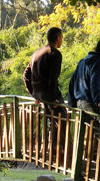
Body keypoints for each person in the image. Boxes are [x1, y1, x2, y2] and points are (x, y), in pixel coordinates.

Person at [67, 37, 100, 165]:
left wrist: (71, 103)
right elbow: (96, 82)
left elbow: (72, 82)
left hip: (81, 103)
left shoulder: (83, 61)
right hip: (93, 102)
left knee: (98, 132)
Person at [23, 27, 67, 157]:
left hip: (39, 94)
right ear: (58, 38)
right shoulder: (55, 54)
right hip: (49, 94)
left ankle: (50, 150)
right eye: (62, 38)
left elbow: (26, 76)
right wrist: (53, 97)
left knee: (50, 120)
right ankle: (62, 152)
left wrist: (32, 93)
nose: (62, 41)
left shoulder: (36, 53)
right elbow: (53, 78)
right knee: (62, 118)